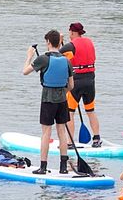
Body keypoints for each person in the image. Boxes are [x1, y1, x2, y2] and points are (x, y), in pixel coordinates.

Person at [23, 30, 80, 175]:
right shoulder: (66, 61)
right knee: (61, 132)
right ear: (59, 42)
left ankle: (43, 166)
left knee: (46, 133)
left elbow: (25, 71)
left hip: (47, 100)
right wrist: (62, 92)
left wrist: (29, 56)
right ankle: (63, 167)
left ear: (48, 42)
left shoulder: (43, 59)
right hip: (62, 100)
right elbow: (71, 86)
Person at [61, 22, 100, 147]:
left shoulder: (70, 45)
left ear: (72, 32)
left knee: (70, 111)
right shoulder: (90, 42)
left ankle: (70, 142)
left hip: (77, 81)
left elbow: (55, 55)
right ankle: (96, 139)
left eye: (70, 33)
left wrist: (61, 42)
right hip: (90, 80)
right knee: (90, 111)